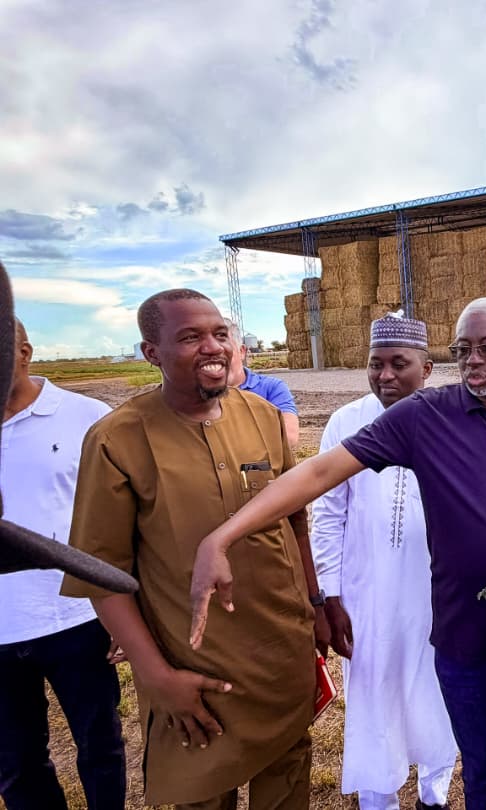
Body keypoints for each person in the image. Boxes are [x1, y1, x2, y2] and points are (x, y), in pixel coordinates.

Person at [190, 296, 486, 810]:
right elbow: (319, 474)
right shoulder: (426, 415)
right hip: (462, 639)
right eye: (462, 350)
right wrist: (222, 536)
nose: (472, 361)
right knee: (483, 771)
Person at [62, 289, 329, 810]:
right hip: (193, 667)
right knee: (203, 790)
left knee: (288, 777)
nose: (213, 347)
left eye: (219, 334)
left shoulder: (263, 415)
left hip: (281, 652)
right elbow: (101, 574)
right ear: (151, 353)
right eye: (190, 337)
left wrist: (315, 607)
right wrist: (157, 676)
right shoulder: (117, 439)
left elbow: (294, 521)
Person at [310, 314, 457, 810]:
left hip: (436, 592)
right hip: (366, 593)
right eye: (376, 364)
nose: (385, 375)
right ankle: (379, 799)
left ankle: (435, 793)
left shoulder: (453, 419)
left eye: (399, 363)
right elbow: (327, 514)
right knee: (373, 694)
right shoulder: (345, 422)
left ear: (427, 368)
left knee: (437, 689)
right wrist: (329, 595)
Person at [0, 318, 125, 810]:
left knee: (101, 747)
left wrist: (126, 611)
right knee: (15, 763)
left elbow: (125, 519)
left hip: (77, 616)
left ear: (24, 352)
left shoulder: (86, 417)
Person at [225, 319, 300, 448]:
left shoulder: (271, 388)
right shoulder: (195, 393)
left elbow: (289, 437)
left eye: (225, 349)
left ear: (242, 351)